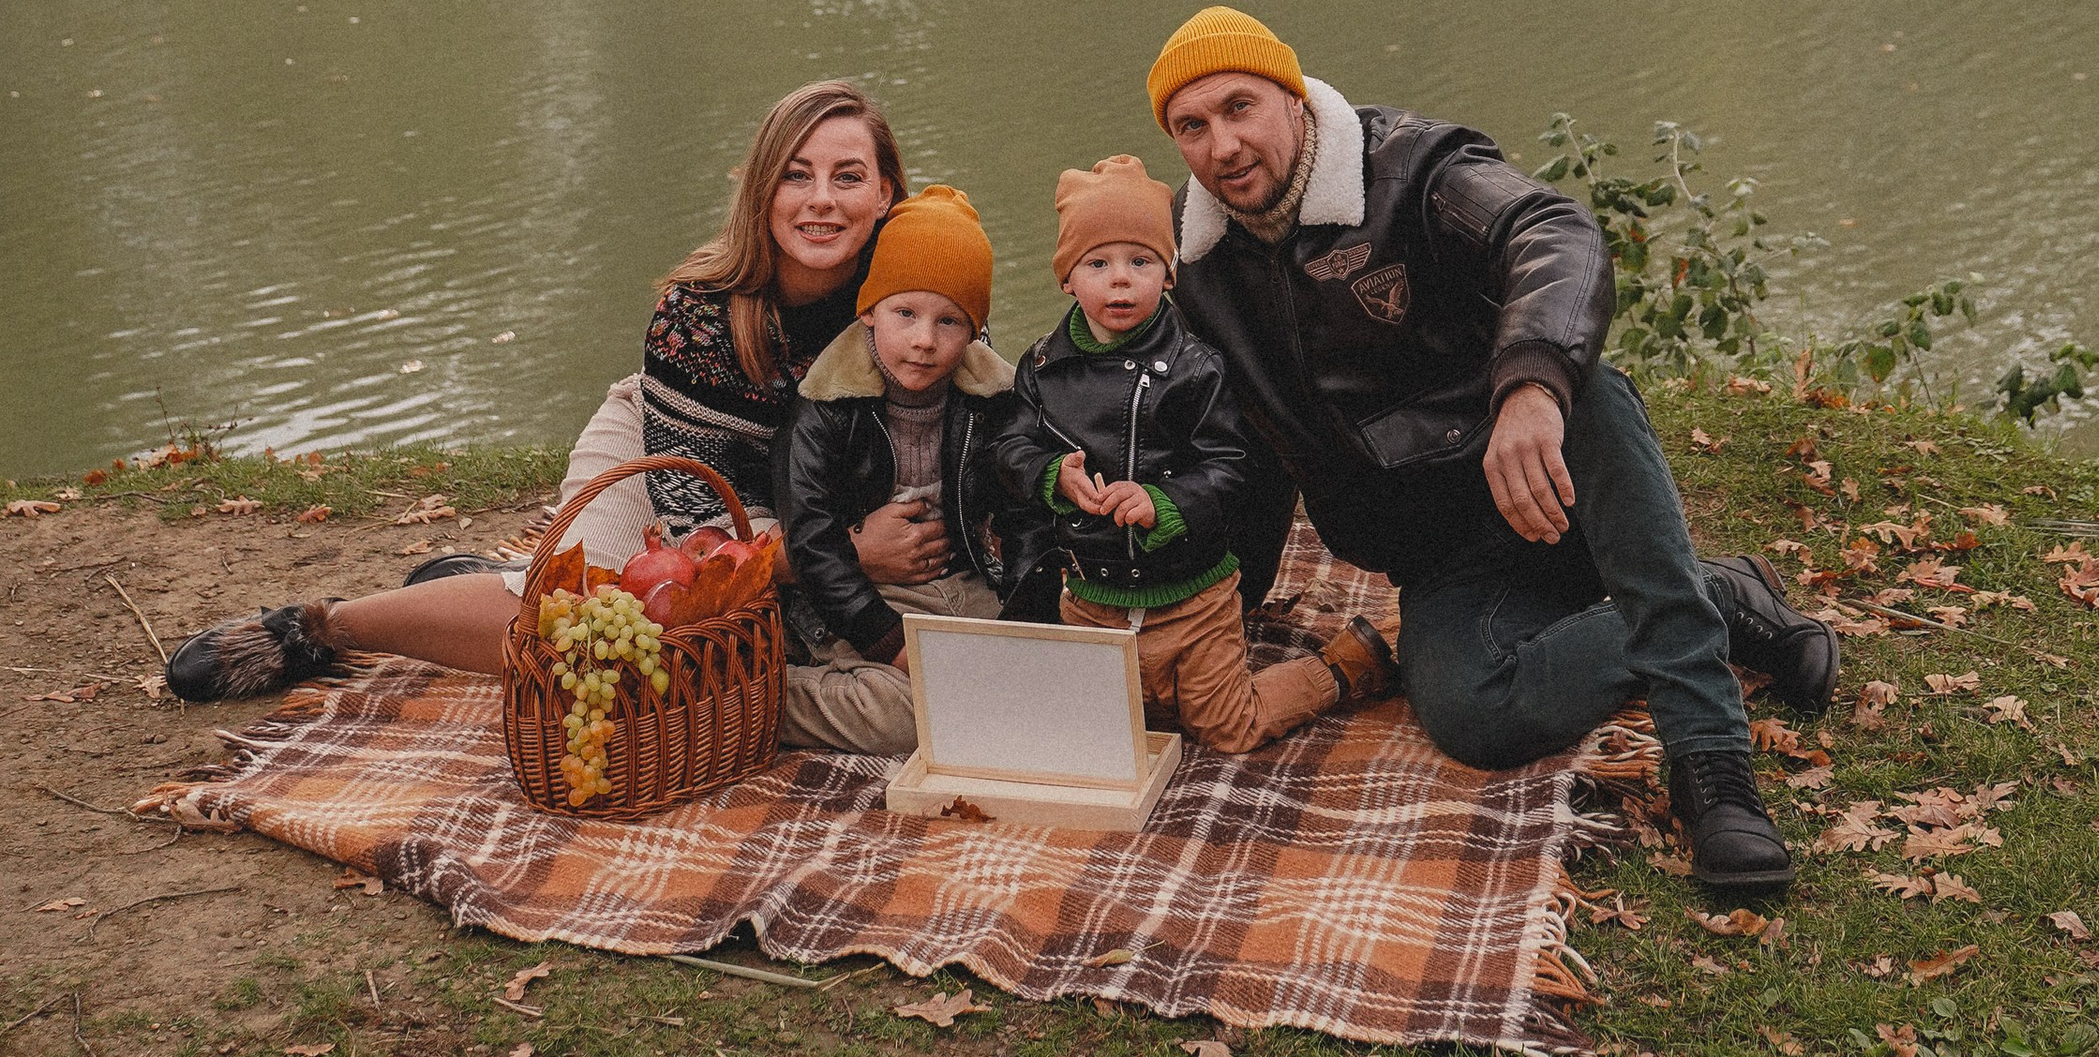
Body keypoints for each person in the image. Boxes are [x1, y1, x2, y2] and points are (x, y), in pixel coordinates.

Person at [1142, 7, 1836, 894]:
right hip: (1442, 548)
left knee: (1593, 399)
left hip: (1551, 470)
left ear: (1295, 100)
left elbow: (1554, 233)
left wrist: (1531, 387)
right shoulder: (1197, 260)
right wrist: (1216, 606)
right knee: (1475, 715)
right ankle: (1713, 595)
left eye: (1240, 108)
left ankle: (1713, 769)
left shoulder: (1411, 169)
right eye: (1191, 126)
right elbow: (1250, 447)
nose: (1223, 144)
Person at [165, 81, 935, 701]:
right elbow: (693, 539)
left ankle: (473, 587)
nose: (820, 200)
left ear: (886, 192)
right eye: (796, 176)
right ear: (762, 192)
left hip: (805, 522)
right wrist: (849, 554)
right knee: (583, 638)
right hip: (669, 467)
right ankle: (321, 628)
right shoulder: (695, 318)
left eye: (847, 177)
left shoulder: (923, 303)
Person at [1003, 153, 1396, 753]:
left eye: (1141, 262)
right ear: (1066, 277)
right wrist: (1052, 474)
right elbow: (1009, 446)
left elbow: (1231, 467)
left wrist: (1162, 503)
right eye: (1097, 263)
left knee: (1228, 730)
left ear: (1168, 276)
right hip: (1092, 598)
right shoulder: (1041, 369)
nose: (1119, 279)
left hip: (1193, 596)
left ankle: (1342, 667)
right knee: (1093, 740)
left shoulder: (1195, 366)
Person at [777, 182, 1056, 751]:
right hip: (851, 601)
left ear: (974, 331)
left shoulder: (993, 399)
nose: (924, 340)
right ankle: (774, 699)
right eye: (905, 313)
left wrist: (1029, 609)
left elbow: (1024, 511)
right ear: (870, 312)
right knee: (911, 717)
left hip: (954, 582)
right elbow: (812, 542)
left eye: (948, 322)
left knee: (1028, 678)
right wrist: (888, 644)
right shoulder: (827, 406)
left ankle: (906, 679)